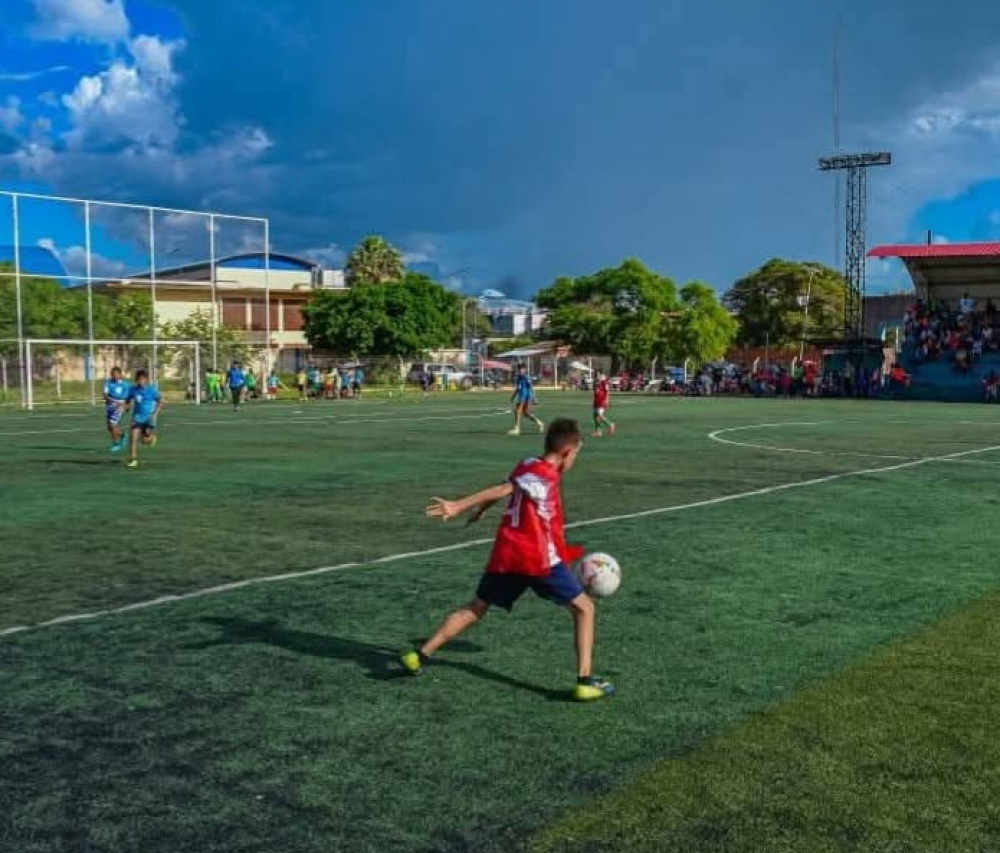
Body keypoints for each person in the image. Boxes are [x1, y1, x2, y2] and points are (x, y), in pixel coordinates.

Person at [400, 418, 614, 702]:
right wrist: (459, 505)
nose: (574, 460)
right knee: (585, 609)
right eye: (576, 454)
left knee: (475, 607)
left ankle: (420, 655)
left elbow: (508, 485)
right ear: (567, 451)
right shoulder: (545, 476)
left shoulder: (527, 463)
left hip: (507, 555)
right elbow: (505, 490)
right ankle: (585, 680)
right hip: (537, 559)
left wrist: (482, 508)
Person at [126, 369, 162, 469]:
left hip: (149, 417)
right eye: (139, 379)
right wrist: (127, 406)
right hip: (137, 417)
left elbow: (159, 401)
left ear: (146, 380)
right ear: (136, 380)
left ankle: (151, 438)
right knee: (133, 438)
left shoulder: (151, 390)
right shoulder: (133, 389)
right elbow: (128, 399)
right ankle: (133, 459)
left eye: (143, 379)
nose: (141, 381)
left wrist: (155, 414)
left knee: (144, 440)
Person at [508, 364, 544, 436]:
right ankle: (539, 422)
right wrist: (513, 396)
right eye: (519, 369)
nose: (520, 371)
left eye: (522, 369)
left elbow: (531, 388)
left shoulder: (526, 378)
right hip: (521, 396)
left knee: (517, 411)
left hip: (526, 397)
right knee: (526, 413)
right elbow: (518, 388)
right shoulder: (518, 378)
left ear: (525, 370)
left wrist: (534, 398)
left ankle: (517, 429)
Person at [103, 366, 131, 453]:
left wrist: (127, 405)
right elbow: (104, 395)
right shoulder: (108, 383)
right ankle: (123, 435)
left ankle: (116, 444)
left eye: (116, 374)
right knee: (110, 427)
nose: (115, 376)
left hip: (120, 406)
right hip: (109, 406)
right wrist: (112, 400)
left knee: (112, 424)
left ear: (120, 374)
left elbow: (129, 397)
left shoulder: (125, 385)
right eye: (113, 374)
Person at [591, 371, 616, 438]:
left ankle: (610, 424)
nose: (597, 376)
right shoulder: (595, 382)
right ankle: (598, 432)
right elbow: (595, 392)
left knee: (599, 416)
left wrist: (607, 400)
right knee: (595, 416)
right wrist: (593, 400)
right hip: (596, 401)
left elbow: (607, 391)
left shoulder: (604, 382)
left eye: (598, 374)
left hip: (602, 401)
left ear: (601, 374)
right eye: (595, 374)